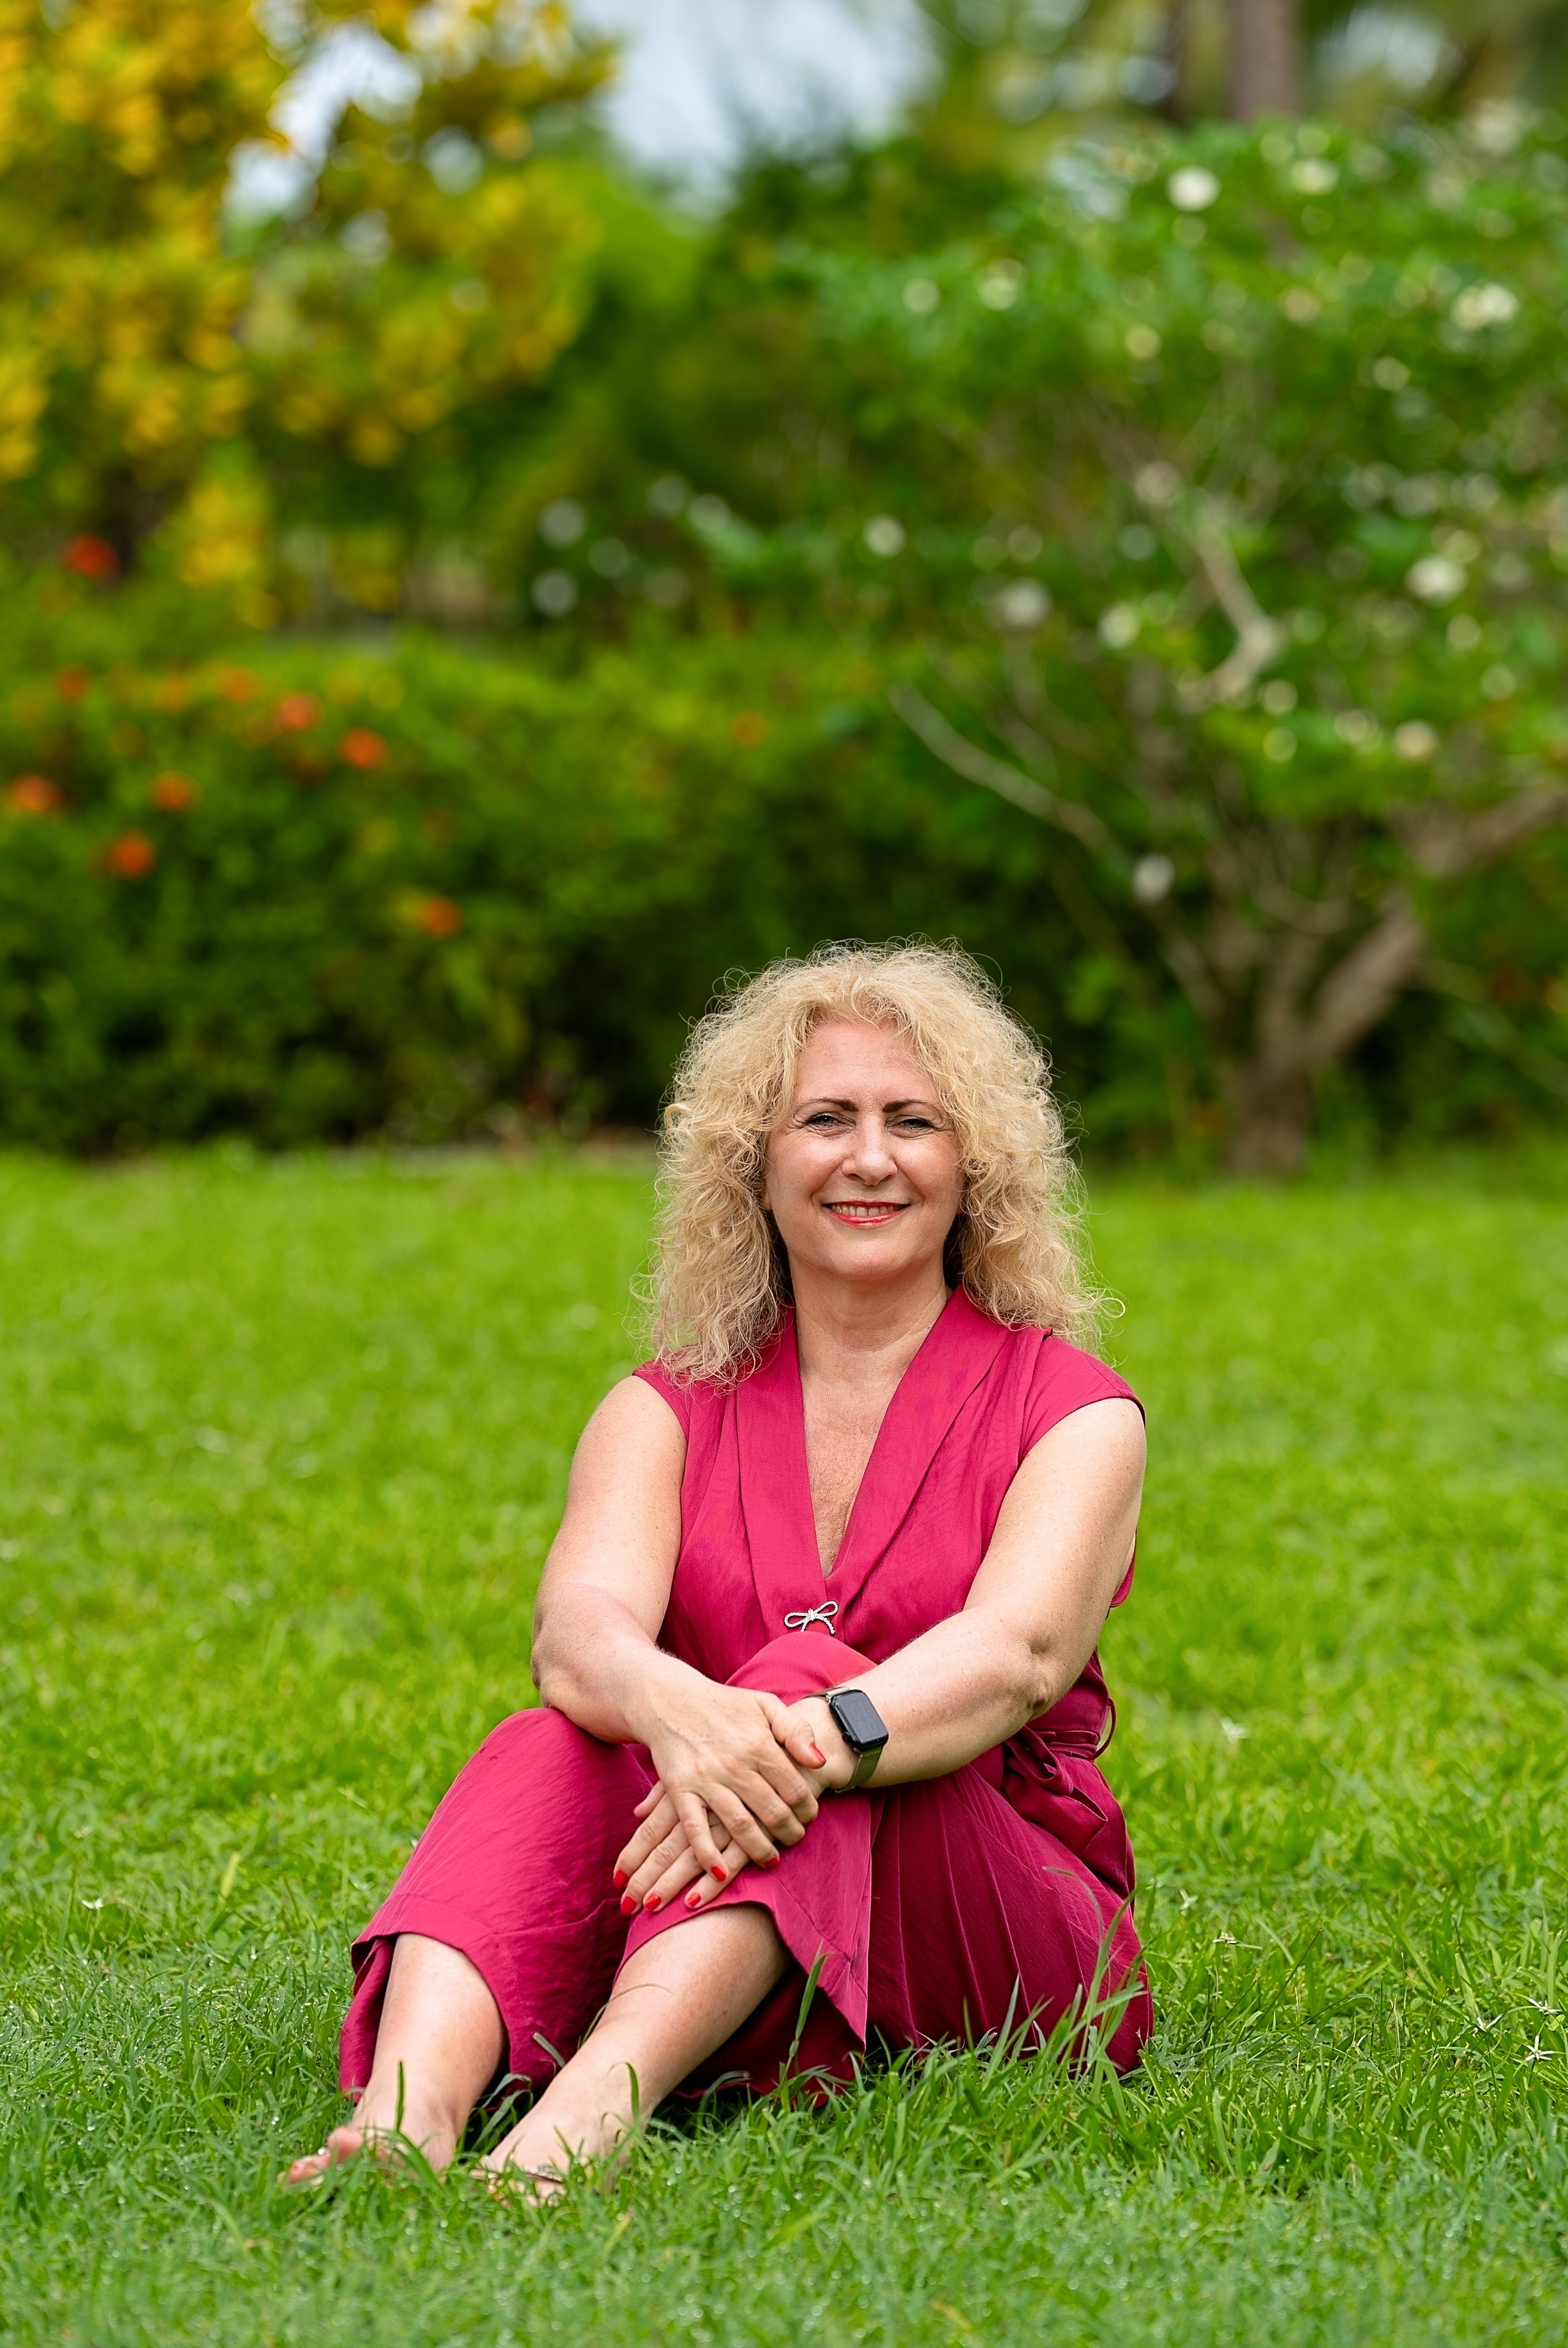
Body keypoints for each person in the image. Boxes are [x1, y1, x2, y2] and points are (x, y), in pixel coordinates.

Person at [285, 942, 1150, 2192]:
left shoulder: (1072, 1412)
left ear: (973, 1166)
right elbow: (577, 1635)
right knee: (545, 1741)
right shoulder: (663, 1409)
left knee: (794, 1687)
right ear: (754, 1161)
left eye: (911, 1121)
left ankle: (581, 2120)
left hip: (999, 1921)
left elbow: (1015, 1658)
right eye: (822, 1120)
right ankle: (405, 2120)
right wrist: (684, 1715)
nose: (867, 1158)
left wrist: (785, 1729)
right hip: (707, 1896)